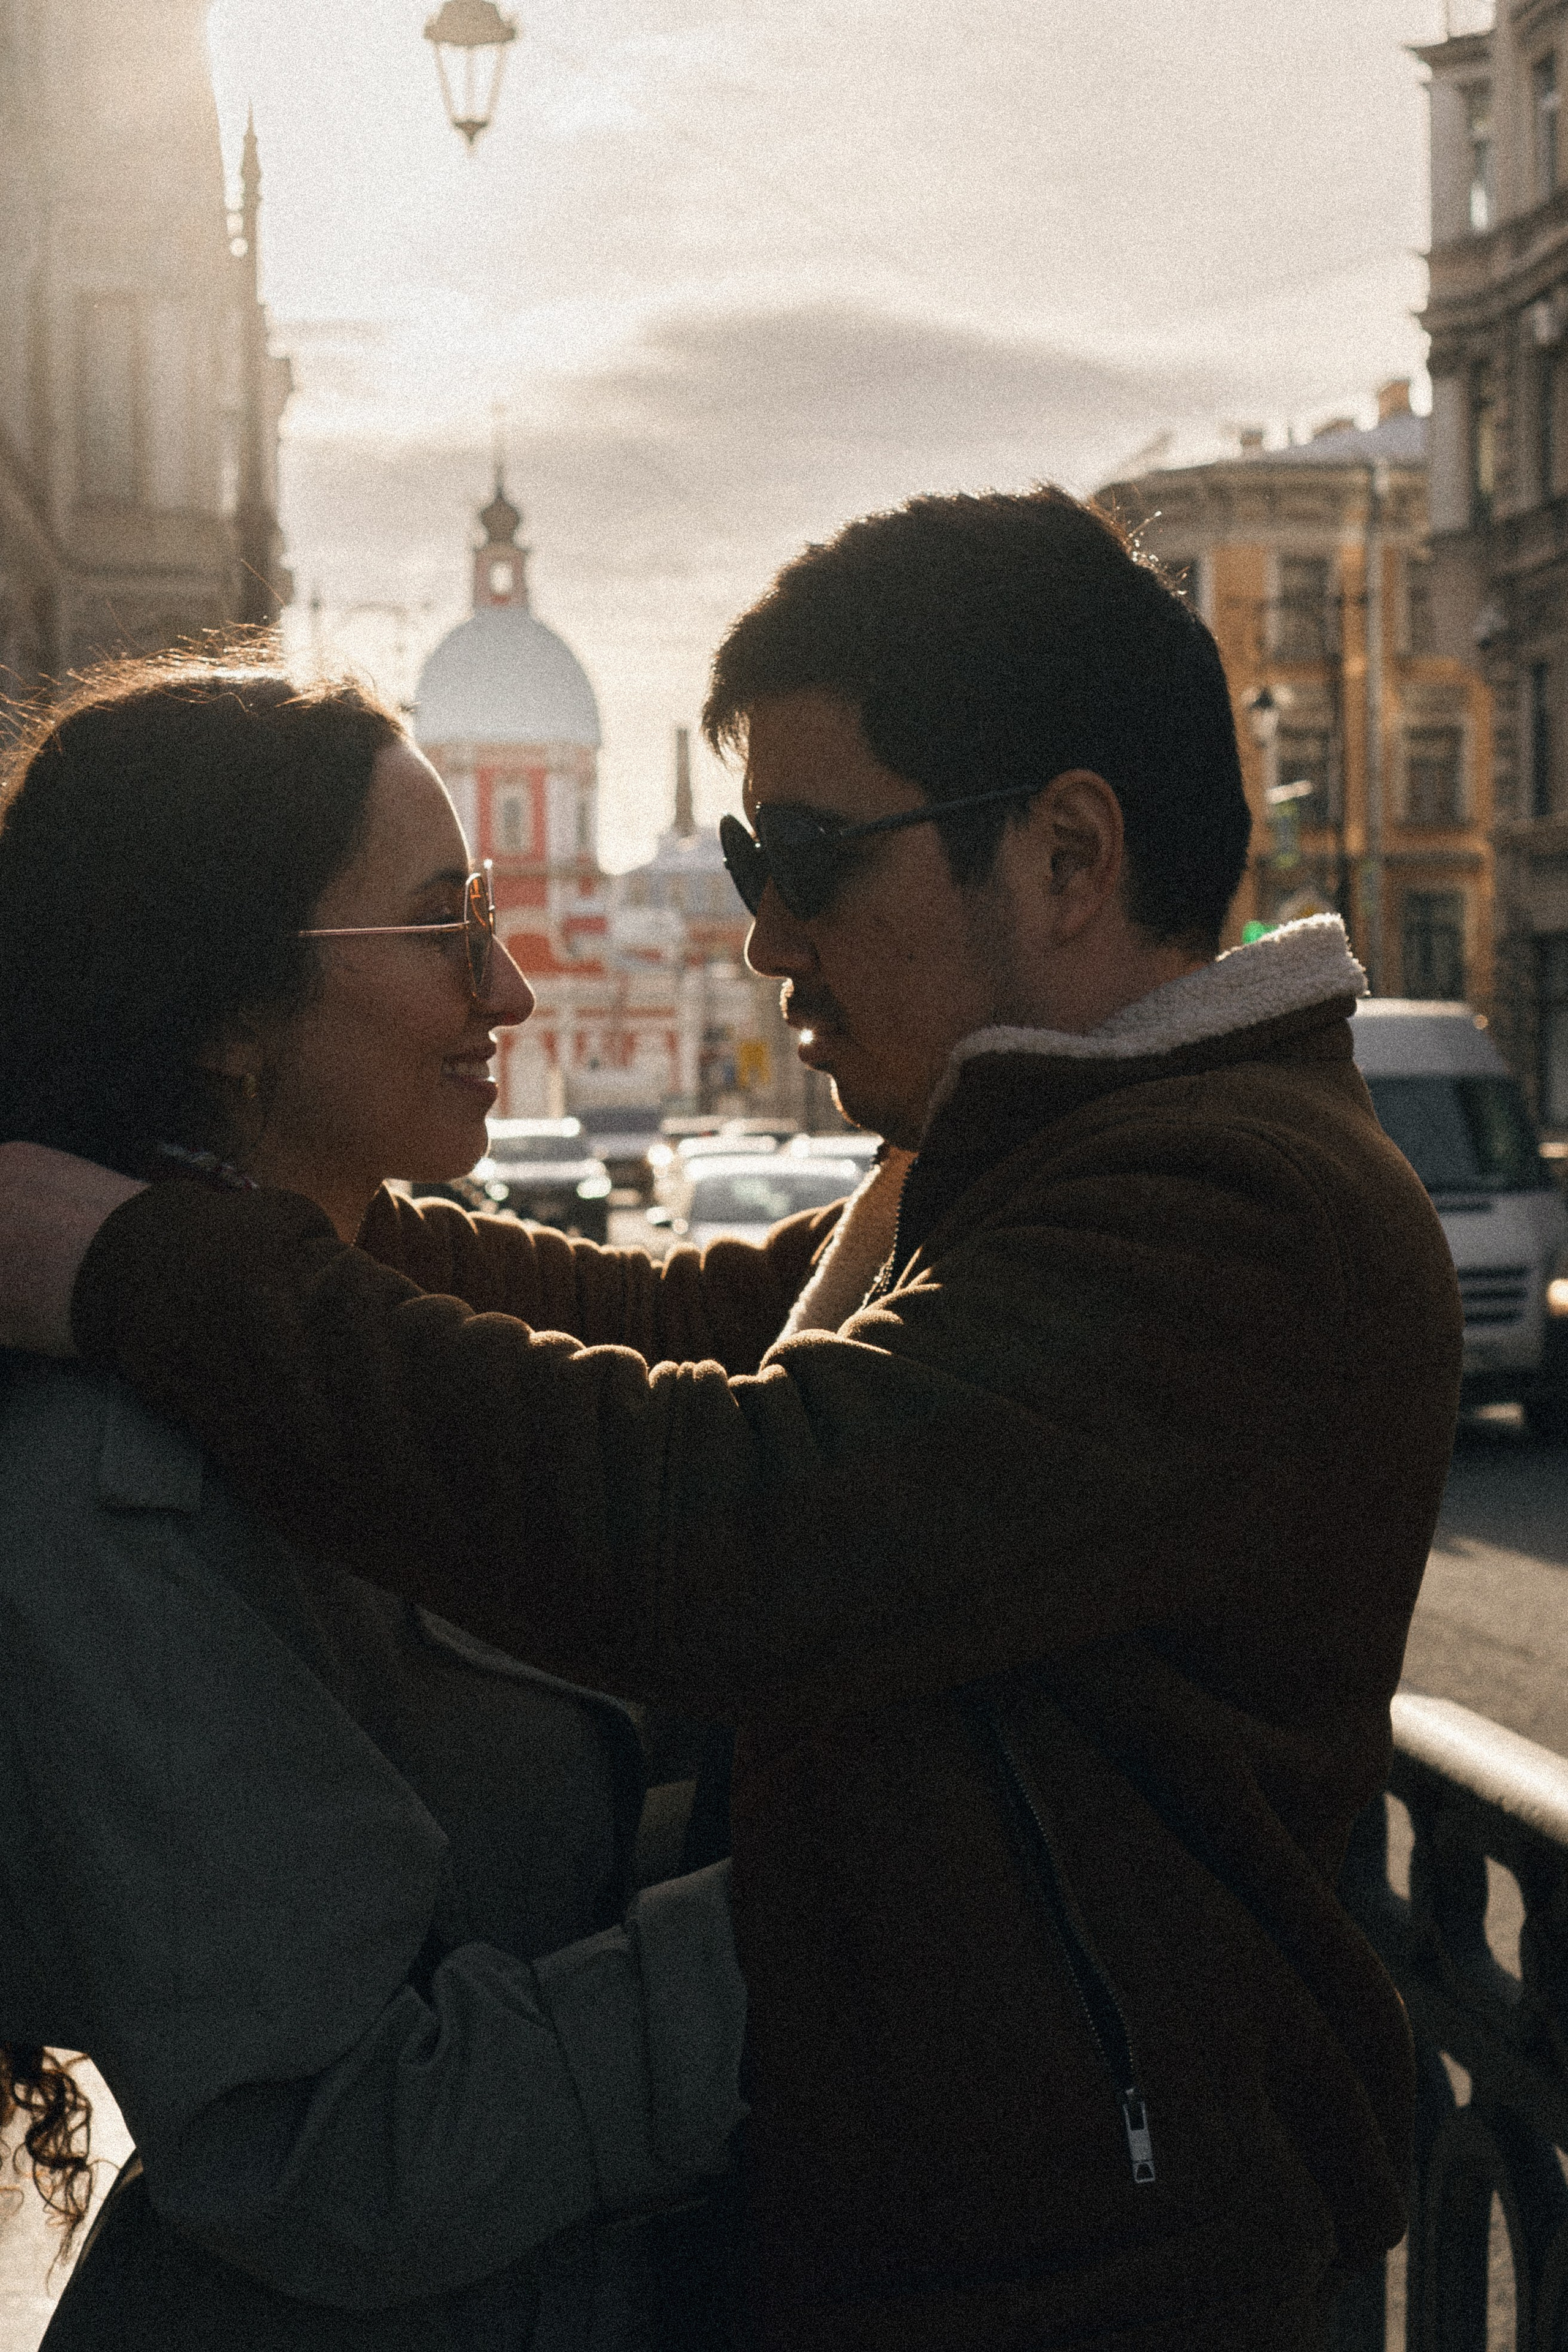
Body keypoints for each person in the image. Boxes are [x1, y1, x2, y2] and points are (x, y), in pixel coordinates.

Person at [0, 489, 1465, 2352]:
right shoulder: (1033, 1151)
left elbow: (733, 1514)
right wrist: (271, 1214)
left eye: (811, 856)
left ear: (1069, 854)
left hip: (1096, 2277)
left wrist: (150, 1267)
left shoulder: (1238, 1210)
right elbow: (687, 1326)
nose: (761, 931)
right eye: (744, 854)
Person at [0, 660, 748, 2352]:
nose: (509, 985)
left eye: (490, 906)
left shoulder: (335, 1327)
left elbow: (702, 1340)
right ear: (224, 1011)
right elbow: (336, 2149)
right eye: (438, 928)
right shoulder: (124, 1477)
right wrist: (835, 1932)